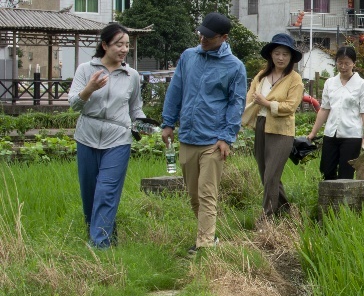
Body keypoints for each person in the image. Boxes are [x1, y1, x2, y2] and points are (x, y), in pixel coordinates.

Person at [161, 13, 247, 254]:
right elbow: (175, 90)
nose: (203, 39)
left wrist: (227, 137)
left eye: (209, 37)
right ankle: (210, 236)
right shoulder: (188, 57)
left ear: (224, 37)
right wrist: (168, 123)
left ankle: (205, 245)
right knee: (193, 196)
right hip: (188, 137)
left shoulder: (235, 67)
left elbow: (236, 104)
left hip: (213, 140)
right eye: (201, 34)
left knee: (207, 194)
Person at [68, 23, 145, 248]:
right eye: (118, 44)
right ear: (104, 45)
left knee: (106, 191)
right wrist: (89, 88)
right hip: (87, 136)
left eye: (126, 45)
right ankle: (105, 236)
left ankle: (99, 245)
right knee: (90, 194)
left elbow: (135, 109)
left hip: (118, 139)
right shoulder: (85, 70)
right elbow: (74, 104)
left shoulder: (132, 75)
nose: (123, 49)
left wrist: (143, 125)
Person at [241, 33, 304, 218]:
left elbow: (291, 107)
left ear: (291, 57)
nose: (281, 58)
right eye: (277, 53)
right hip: (261, 125)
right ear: (271, 55)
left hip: (282, 130)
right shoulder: (261, 76)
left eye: (285, 54)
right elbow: (250, 98)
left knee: (271, 175)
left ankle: (267, 217)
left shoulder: (295, 79)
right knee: (265, 174)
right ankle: (285, 211)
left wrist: (267, 103)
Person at [308, 45, 364, 179]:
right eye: (340, 63)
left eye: (347, 63)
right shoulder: (330, 83)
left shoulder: (362, 85)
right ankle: (329, 199)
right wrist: (313, 133)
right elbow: (324, 109)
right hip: (331, 133)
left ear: (354, 64)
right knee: (327, 170)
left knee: (346, 173)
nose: (343, 66)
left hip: (352, 135)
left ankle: (345, 200)